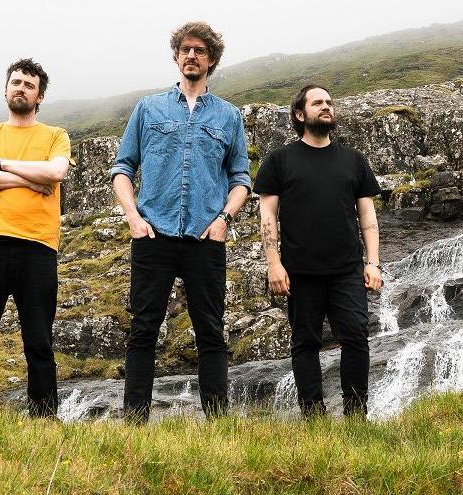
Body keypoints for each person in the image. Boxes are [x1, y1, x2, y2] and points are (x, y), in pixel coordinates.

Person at [110, 21, 251, 423]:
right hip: (153, 233)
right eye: (186, 49)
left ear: (211, 60)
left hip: (207, 238)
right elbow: (123, 167)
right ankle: (134, 423)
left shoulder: (229, 116)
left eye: (200, 51)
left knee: (211, 330)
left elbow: (241, 179)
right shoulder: (148, 108)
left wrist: (225, 219)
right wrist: (133, 217)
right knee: (143, 329)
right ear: (177, 56)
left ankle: (219, 422)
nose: (192, 56)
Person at [254, 84, 382, 418]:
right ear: (300, 114)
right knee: (305, 343)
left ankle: (356, 415)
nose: (326, 107)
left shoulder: (353, 160)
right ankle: (314, 416)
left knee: (355, 337)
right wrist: (274, 264)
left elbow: (367, 215)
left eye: (329, 102)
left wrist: (374, 263)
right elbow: (267, 215)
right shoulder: (279, 160)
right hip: (299, 271)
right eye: (317, 103)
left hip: (347, 270)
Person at [0, 58, 72, 418]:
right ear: (5, 89)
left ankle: (43, 419)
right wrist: (29, 179)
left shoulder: (55, 135)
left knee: (39, 342)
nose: (21, 88)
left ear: (40, 97)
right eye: (16, 82)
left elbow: (56, 171)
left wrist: (2, 165)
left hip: (38, 249)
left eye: (29, 85)